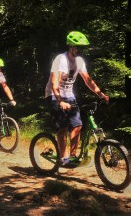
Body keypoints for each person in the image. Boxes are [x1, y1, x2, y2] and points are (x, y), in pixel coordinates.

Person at [45, 31, 109, 166]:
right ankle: (64, 159)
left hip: (69, 95)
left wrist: (101, 94)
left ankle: (73, 156)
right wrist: (60, 101)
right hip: (53, 95)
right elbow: (54, 82)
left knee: (77, 125)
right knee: (63, 127)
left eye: (82, 47)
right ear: (71, 47)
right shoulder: (60, 59)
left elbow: (88, 80)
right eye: (78, 47)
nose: (80, 50)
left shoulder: (79, 61)